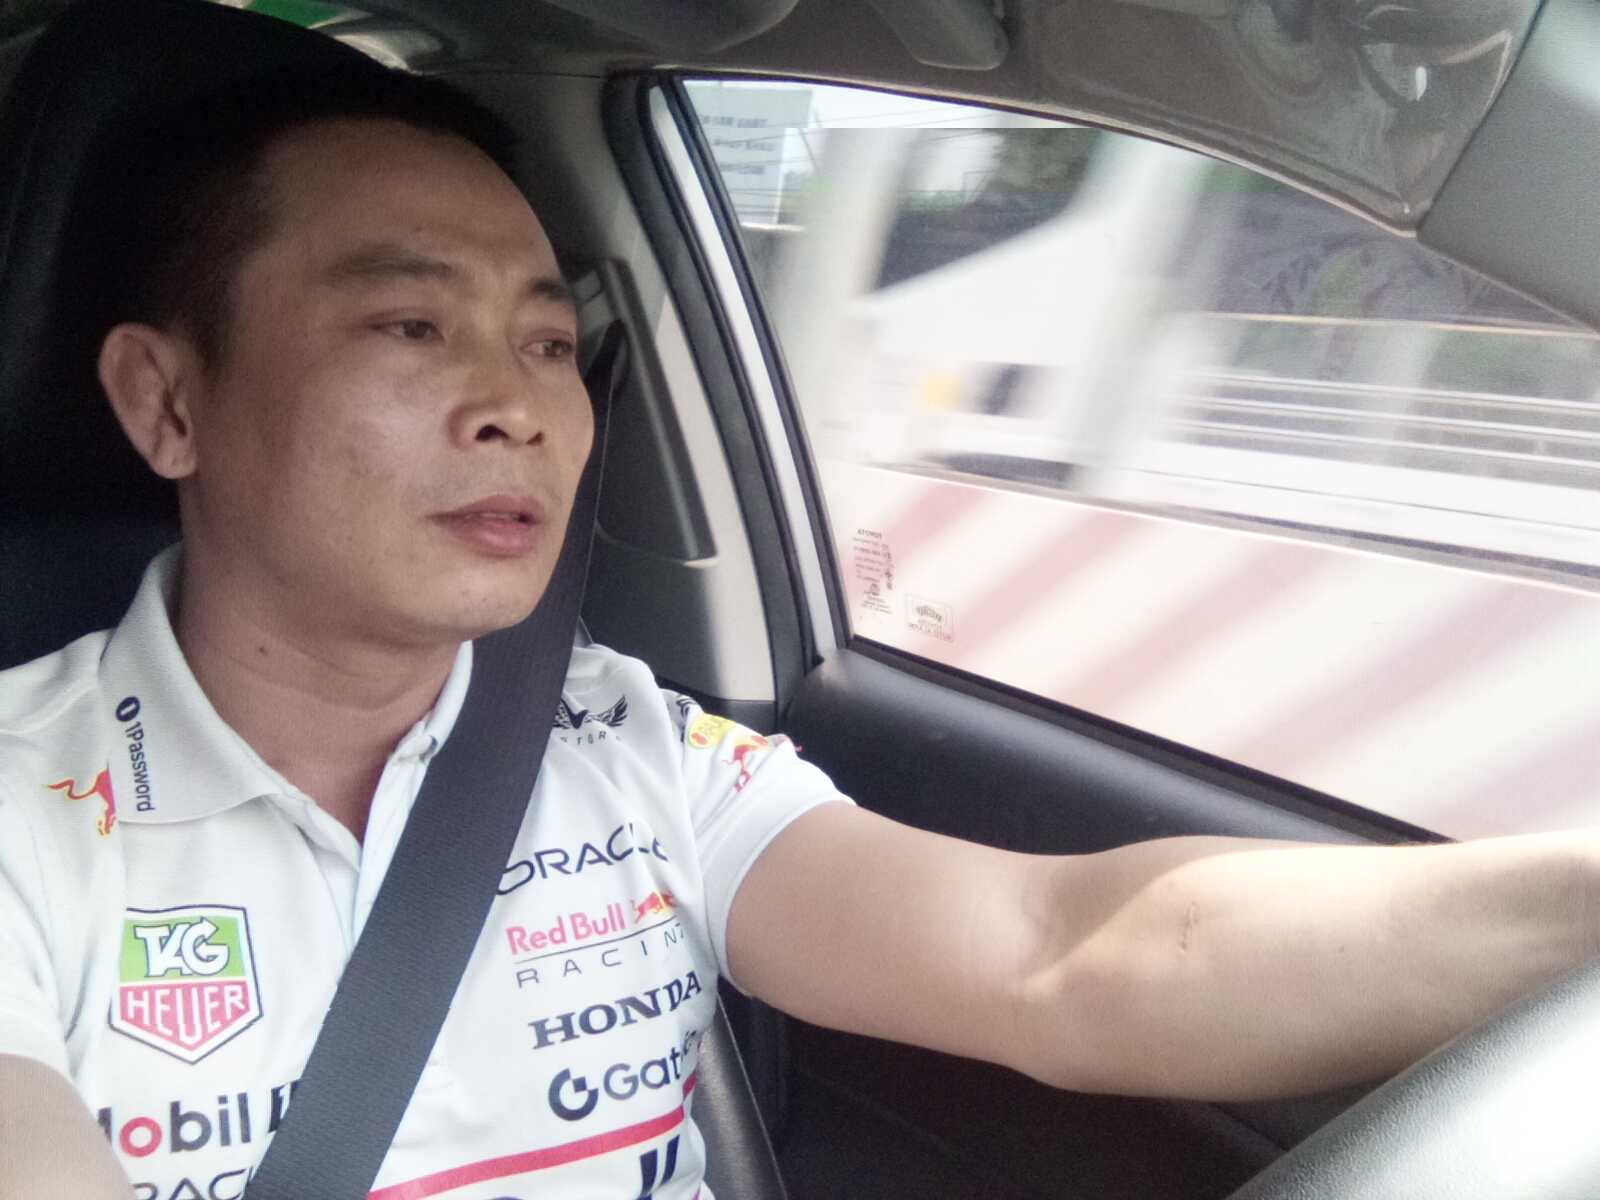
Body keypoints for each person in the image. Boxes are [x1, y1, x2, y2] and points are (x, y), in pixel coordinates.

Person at [1, 39, 1595, 1200]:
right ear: (167, 402)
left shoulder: (629, 748)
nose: (519, 408)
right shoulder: (23, 813)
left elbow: (1071, 954)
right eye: (411, 325)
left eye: (548, 344)